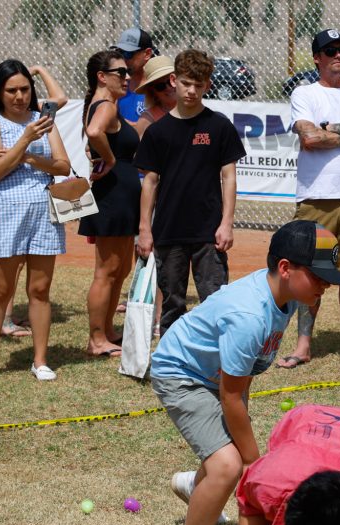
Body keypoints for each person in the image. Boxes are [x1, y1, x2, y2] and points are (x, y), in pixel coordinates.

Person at [150, 221, 340, 525]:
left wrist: (243, 439)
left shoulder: (285, 296)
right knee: (229, 463)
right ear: (287, 268)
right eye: (319, 276)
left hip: (214, 377)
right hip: (181, 374)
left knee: (227, 457)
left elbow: (240, 381)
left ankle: (198, 487)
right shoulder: (250, 316)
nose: (327, 285)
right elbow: (230, 395)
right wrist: (253, 462)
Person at [275, 29, 340, 369]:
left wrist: (329, 128)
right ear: (317, 58)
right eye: (330, 50)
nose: (338, 55)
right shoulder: (304, 93)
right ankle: (303, 345)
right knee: (308, 273)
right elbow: (308, 137)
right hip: (316, 197)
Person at [0, 59, 70, 384]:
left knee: (40, 289)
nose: (19, 96)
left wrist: (26, 156)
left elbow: (62, 166)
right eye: (11, 90)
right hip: (5, 213)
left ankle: (39, 360)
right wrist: (26, 140)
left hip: (43, 213)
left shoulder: (44, 120)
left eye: (25, 89)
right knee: (1, 289)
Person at [134, 50, 245, 334]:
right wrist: (145, 229)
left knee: (215, 301)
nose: (192, 91)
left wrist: (226, 223)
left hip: (209, 232)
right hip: (168, 231)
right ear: (174, 80)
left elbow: (229, 176)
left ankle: (213, 364)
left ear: (208, 85)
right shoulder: (158, 132)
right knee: (172, 303)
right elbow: (150, 182)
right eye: (186, 83)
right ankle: (173, 364)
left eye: (198, 84)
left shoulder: (219, 126)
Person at [78, 49, 140, 358]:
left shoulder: (108, 106)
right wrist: (113, 159)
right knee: (107, 269)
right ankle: (96, 338)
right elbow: (93, 131)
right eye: (120, 73)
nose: (127, 78)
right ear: (102, 77)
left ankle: (108, 330)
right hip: (112, 195)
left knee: (120, 267)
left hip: (122, 194)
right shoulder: (105, 106)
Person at [114, 26, 154, 123]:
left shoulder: (159, 86)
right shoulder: (116, 84)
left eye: (128, 53)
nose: (123, 58)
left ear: (147, 54)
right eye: (120, 52)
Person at [132, 55, 174, 137]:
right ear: (153, 91)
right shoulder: (147, 119)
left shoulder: (193, 110)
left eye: (171, 81)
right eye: (160, 86)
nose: (168, 88)